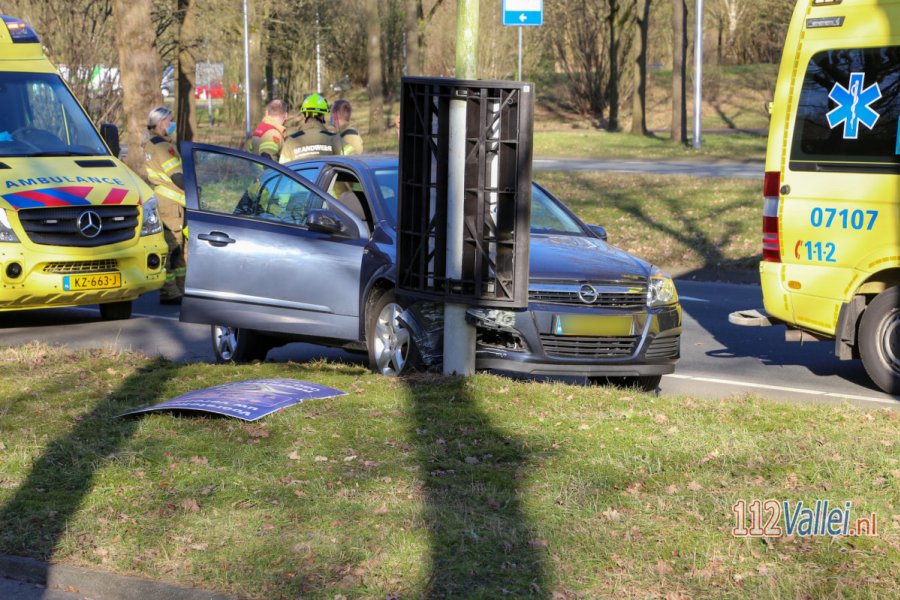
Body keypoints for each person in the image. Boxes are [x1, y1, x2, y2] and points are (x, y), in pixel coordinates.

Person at [142, 106, 186, 305]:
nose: (172, 124)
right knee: (174, 248)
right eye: (170, 120)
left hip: (164, 201)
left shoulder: (151, 143)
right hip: (172, 204)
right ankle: (170, 291)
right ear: (161, 123)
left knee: (174, 248)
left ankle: (178, 288)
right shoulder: (162, 146)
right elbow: (177, 175)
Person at [279, 93, 343, 163]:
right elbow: (350, 162)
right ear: (322, 116)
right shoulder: (335, 139)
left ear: (304, 115)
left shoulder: (290, 142)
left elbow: (283, 169)